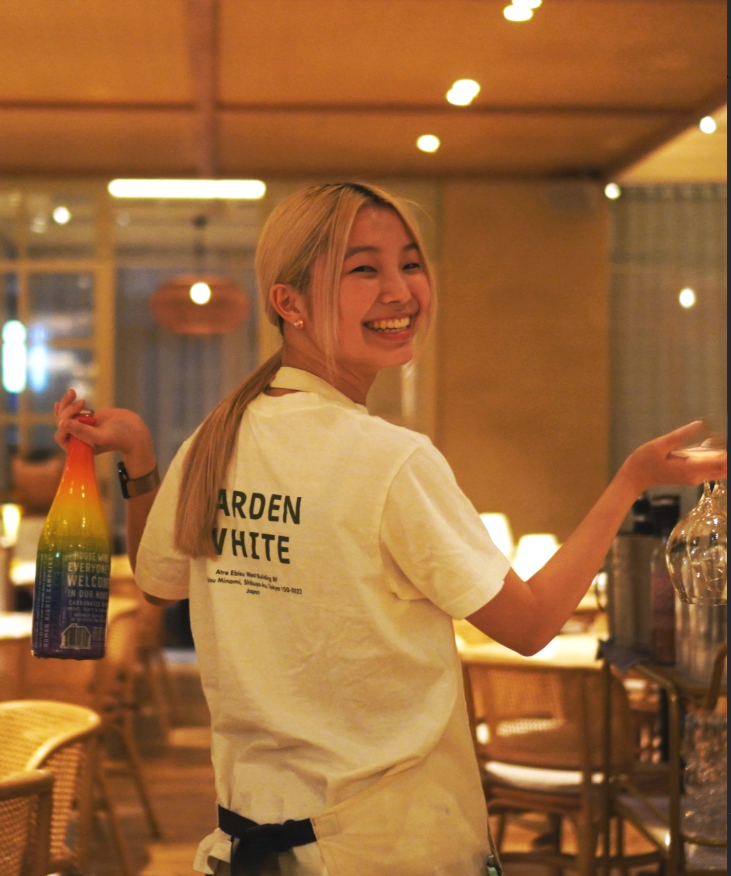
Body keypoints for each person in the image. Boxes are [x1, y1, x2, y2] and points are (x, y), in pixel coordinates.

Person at [54, 182, 726, 876]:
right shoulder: (388, 459)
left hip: (251, 844)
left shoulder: (216, 438)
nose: (400, 290)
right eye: (363, 269)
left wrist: (140, 463)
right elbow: (530, 626)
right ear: (289, 303)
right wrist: (629, 483)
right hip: (391, 847)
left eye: (409, 263)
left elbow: (157, 583)